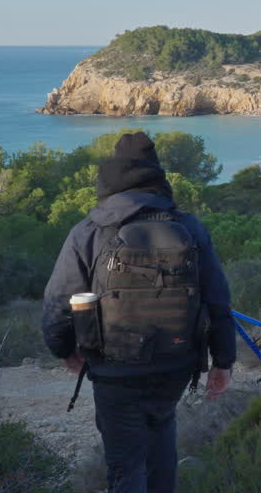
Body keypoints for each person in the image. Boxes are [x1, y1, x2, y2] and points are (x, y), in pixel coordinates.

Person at [42, 131, 236, 493]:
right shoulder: (190, 227)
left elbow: (58, 300)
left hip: (115, 368)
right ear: (156, 177)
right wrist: (223, 362)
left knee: (126, 466)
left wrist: (64, 350)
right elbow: (218, 301)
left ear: (110, 178)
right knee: (162, 436)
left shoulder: (90, 230)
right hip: (177, 363)